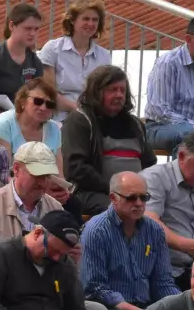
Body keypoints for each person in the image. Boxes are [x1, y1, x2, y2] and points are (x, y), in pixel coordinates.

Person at [80, 172, 179, 310]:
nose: (139, 203)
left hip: (146, 306)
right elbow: (95, 288)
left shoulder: (154, 231)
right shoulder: (96, 231)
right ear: (113, 198)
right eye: (131, 198)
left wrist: (180, 305)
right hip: (111, 309)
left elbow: (163, 282)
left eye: (144, 197)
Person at [60, 64, 151, 216]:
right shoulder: (80, 120)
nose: (119, 95)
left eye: (122, 90)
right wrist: (118, 189)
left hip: (135, 195)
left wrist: (136, 192)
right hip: (92, 193)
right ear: (96, 92)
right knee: (122, 210)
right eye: (112, 90)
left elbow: (150, 164)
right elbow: (76, 169)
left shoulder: (136, 125)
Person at [141, 130, 194, 286]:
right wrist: (188, 246)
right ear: (182, 156)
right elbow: (150, 222)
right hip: (159, 269)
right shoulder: (155, 178)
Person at [143, 14, 194, 152]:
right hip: (160, 127)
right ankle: (184, 174)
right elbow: (161, 111)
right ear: (188, 39)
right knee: (191, 136)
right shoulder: (168, 63)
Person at [0, 141, 66, 254]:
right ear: (16, 169)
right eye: (37, 175)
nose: (43, 182)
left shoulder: (56, 208)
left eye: (47, 176)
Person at [39, 0, 111, 117]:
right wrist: (79, 110)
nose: (91, 23)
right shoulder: (52, 49)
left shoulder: (104, 56)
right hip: (59, 118)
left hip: (93, 118)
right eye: (86, 19)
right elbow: (48, 93)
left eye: (95, 20)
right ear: (72, 20)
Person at [0, 3, 45, 116]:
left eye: (36, 29)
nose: (32, 33)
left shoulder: (35, 62)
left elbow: (37, 98)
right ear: (12, 26)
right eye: (28, 28)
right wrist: (14, 121)